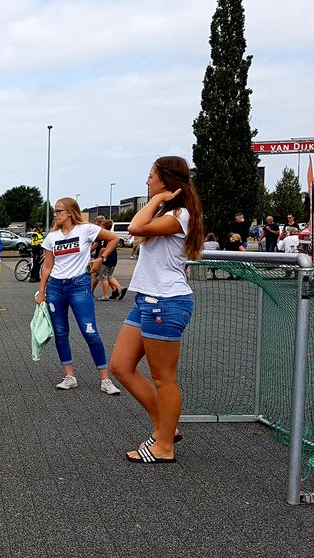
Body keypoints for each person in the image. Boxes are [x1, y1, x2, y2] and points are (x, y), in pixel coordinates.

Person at [109, 156, 205, 464]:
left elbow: (135, 226)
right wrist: (159, 200)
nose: (147, 182)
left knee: (164, 378)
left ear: (167, 180)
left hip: (166, 301)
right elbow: (138, 233)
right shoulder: (167, 212)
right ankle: (167, 427)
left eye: (152, 177)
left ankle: (164, 445)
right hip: (147, 300)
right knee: (120, 366)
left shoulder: (180, 214)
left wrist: (161, 198)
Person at [34, 197, 122, 395]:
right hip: (56, 287)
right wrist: (42, 291)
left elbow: (114, 238)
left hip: (79, 285)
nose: (55, 215)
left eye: (59, 211)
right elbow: (47, 266)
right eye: (55, 212)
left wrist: (101, 258)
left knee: (89, 331)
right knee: (60, 331)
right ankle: (69, 375)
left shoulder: (86, 230)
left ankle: (105, 379)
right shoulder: (51, 237)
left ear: (71, 212)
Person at [90, 219, 125, 301]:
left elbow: (103, 249)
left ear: (103, 226)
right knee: (109, 276)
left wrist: (99, 258)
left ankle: (106, 295)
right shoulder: (112, 235)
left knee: (103, 277)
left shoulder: (104, 237)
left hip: (106, 259)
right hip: (113, 258)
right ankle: (118, 289)